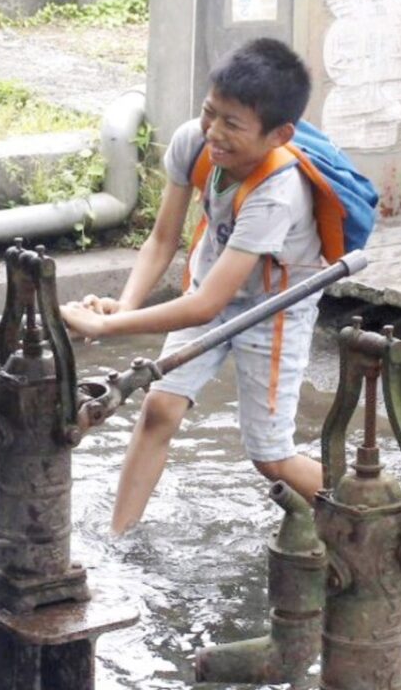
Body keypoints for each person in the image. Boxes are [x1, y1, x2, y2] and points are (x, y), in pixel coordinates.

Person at [60, 38, 328, 533]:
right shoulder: (193, 142)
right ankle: (120, 536)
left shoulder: (278, 194)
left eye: (233, 125)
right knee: (159, 408)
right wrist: (124, 306)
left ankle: (381, 514)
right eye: (210, 113)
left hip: (273, 310)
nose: (214, 133)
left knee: (270, 457)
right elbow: (162, 240)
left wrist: (104, 326)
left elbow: (207, 307)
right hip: (212, 284)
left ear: (278, 135)